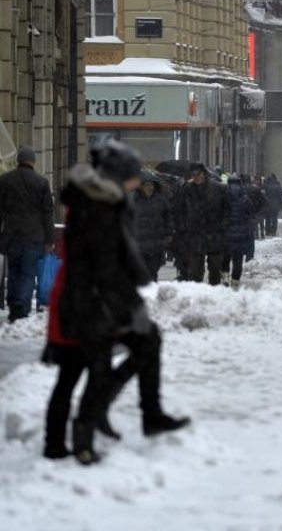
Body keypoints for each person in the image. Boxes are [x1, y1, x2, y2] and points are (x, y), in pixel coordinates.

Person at [50, 139, 189, 464]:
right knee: (97, 368)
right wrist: (129, 299)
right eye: (131, 175)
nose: (136, 181)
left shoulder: (111, 201)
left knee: (147, 343)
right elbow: (102, 264)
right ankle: (82, 436)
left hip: (106, 298)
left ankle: (148, 415)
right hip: (90, 302)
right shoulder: (97, 206)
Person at [0, 145, 55, 322]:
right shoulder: (41, 182)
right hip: (34, 236)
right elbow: (48, 213)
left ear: (18, 161)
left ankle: (13, 305)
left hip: (11, 234)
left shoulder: (5, 180)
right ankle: (22, 308)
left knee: (14, 271)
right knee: (28, 272)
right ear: (33, 161)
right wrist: (50, 238)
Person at [179, 162, 229, 285]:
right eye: (193, 174)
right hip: (195, 234)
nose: (196, 177)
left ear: (204, 174)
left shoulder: (218, 188)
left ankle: (213, 294)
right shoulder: (187, 189)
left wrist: (224, 225)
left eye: (198, 174)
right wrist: (184, 226)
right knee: (195, 271)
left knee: (215, 269)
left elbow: (227, 209)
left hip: (214, 232)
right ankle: (197, 295)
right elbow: (180, 210)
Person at [133, 172, 172, 282]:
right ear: (140, 187)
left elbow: (168, 218)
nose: (150, 188)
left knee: (153, 274)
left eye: (151, 185)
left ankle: (151, 295)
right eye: (147, 185)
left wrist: (168, 235)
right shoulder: (133, 201)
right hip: (139, 245)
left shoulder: (161, 201)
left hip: (156, 245)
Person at [222, 173, 254, 289]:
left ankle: (225, 276)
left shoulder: (224, 196)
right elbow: (251, 213)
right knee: (237, 259)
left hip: (226, 233)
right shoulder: (245, 198)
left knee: (225, 257)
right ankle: (235, 281)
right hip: (241, 234)